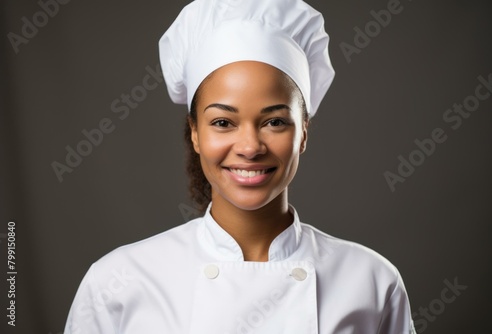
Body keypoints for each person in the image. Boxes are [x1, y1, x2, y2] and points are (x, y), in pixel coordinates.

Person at [64, 0, 416, 333]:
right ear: (195, 133)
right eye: (222, 123)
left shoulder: (371, 280)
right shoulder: (118, 281)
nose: (249, 147)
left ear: (303, 133)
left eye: (275, 122)